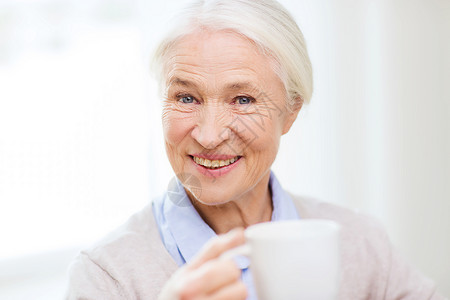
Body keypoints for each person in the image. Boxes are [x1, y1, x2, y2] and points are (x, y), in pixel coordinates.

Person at [65, 0, 446, 299]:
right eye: (186, 97)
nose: (210, 136)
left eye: (243, 99)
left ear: (290, 112)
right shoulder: (106, 277)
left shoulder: (360, 244)